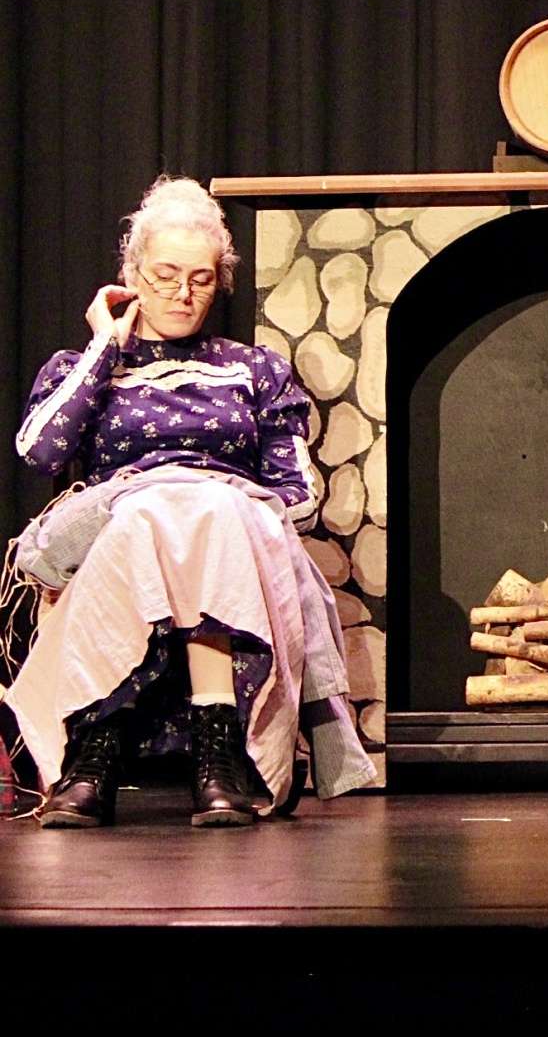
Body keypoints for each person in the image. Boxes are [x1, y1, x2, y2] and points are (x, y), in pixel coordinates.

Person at [3, 177, 373, 827]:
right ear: (130, 275)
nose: (182, 292)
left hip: (228, 527)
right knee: (149, 514)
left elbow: (301, 493)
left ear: (219, 282)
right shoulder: (85, 364)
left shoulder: (254, 370)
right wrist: (103, 346)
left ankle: (208, 750)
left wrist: (238, 506)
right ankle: (104, 748)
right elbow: (39, 450)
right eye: (165, 274)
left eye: (201, 278)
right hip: (124, 525)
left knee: (208, 512)